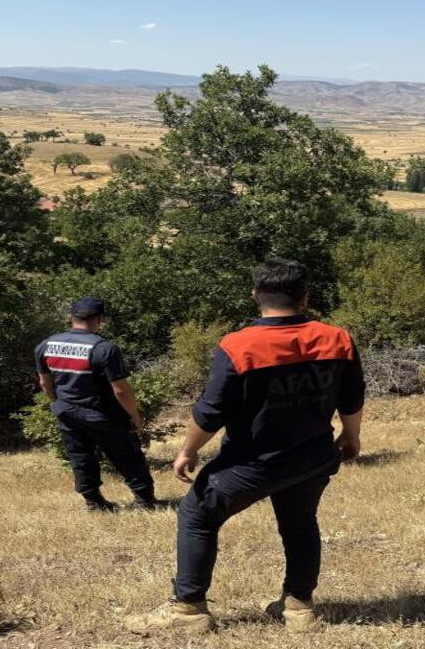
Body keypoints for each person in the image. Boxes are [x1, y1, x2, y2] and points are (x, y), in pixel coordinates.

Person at [125, 258, 365, 636]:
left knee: (197, 516)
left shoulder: (239, 345)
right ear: (305, 298)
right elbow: (352, 397)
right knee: (300, 523)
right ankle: (299, 606)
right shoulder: (338, 338)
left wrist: (188, 450)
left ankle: (188, 609)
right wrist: (351, 437)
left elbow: (211, 410)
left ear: (255, 296)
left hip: (254, 463)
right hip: (312, 456)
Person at [34, 297, 158, 511]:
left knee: (80, 456)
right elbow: (120, 389)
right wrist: (134, 415)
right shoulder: (104, 348)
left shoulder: (46, 345)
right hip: (102, 414)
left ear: (71, 317)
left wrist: (58, 403)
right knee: (126, 454)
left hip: (66, 412)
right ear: (100, 319)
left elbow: (45, 383)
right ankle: (144, 501)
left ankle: (93, 501)